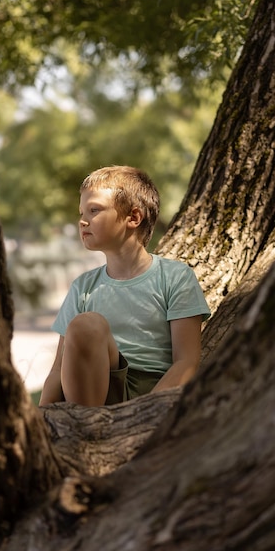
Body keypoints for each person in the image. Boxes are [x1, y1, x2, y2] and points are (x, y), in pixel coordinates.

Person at [39, 165, 210, 407]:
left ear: (133, 217)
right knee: (86, 326)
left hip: (152, 396)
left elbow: (186, 362)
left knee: (87, 324)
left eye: (94, 210)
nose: (82, 221)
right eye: (81, 212)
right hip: (91, 395)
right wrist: (42, 420)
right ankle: (88, 428)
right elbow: (58, 370)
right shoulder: (83, 287)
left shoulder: (175, 277)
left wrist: (143, 412)